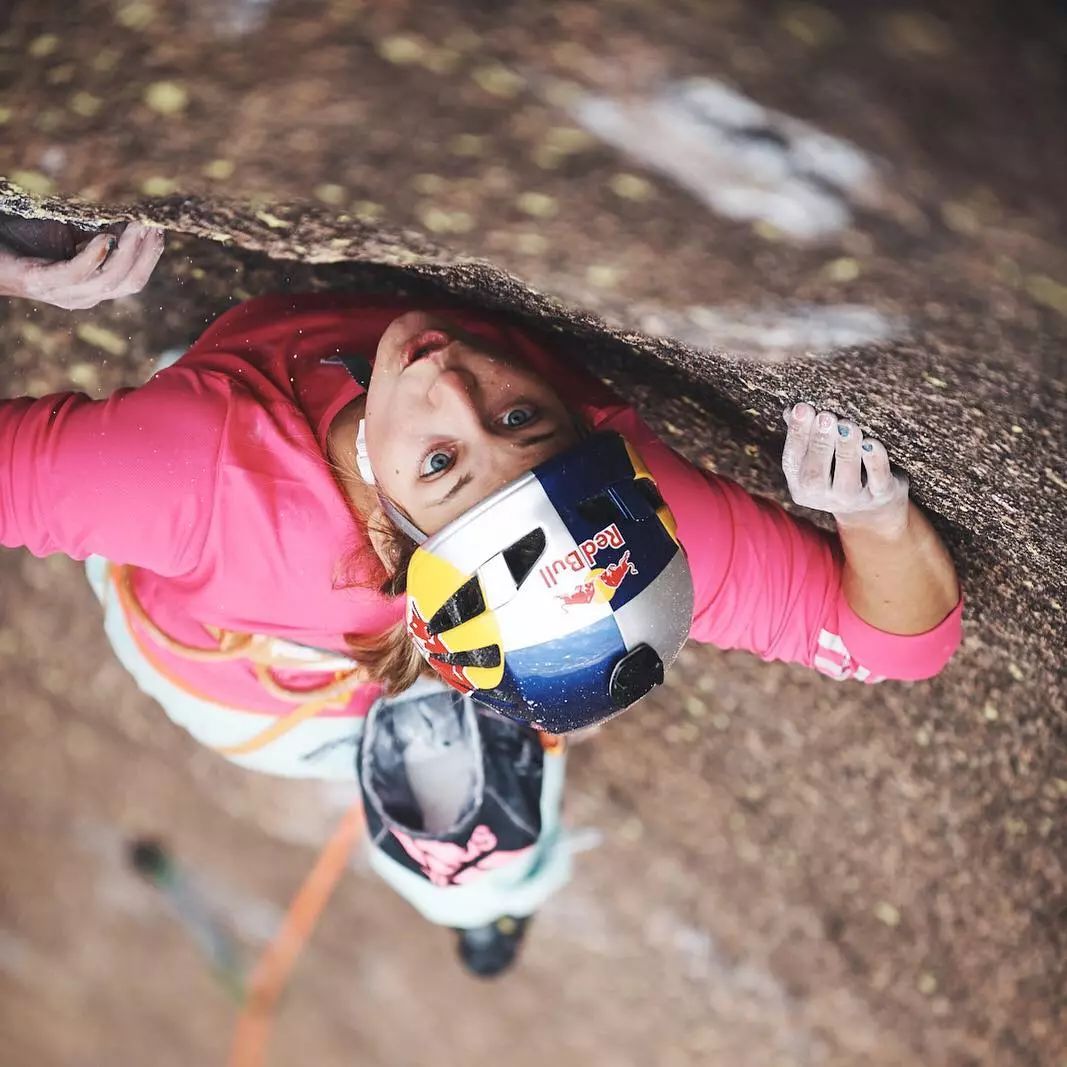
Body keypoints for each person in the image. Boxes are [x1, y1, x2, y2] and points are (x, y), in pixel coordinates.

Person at [0, 219, 961, 976]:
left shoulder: (191, 474)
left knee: (456, 799)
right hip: (296, 644)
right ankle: (488, 905)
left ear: (400, 533)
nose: (450, 379)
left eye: (444, 461)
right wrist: (871, 516)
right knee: (493, 772)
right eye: (517, 416)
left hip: (255, 699)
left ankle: (478, 897)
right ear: (598, 445)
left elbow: (896, 650)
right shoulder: (601, 491)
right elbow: (894, 641)